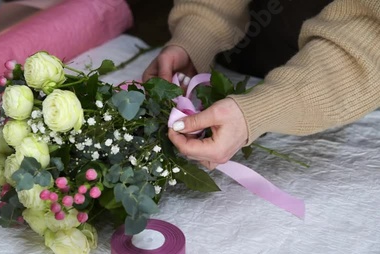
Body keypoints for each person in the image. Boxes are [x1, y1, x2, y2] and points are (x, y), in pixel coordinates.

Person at [143, 0, 380, 170]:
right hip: (248, 49)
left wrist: (267, 107)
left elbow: (373, 31)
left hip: (351, 86)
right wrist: (196, 34)